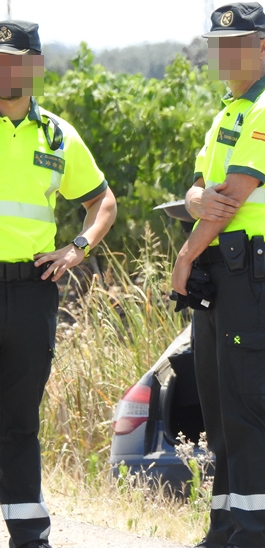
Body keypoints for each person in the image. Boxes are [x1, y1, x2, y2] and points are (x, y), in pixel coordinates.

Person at [171, 3, 265, 547]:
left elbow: (226, 201)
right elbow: (197, 192)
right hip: (222, 276)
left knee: (250, 407)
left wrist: (184, 256)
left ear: (264, 46)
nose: (224, 55)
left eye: (237, 44)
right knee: (221, 411)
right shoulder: (228, 113)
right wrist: (199, 201)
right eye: (218, 45)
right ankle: (224, 529)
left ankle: (254, 533)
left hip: (250, 273)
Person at [0, 20, 117, 548]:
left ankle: (29, 536)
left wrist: (78, 248)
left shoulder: (57, 135)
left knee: (20, 420)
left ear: (33, 68)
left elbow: (103, 202)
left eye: (13, 59)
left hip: (31, 291)